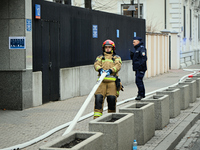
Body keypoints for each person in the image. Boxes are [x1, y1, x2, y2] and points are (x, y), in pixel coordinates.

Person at [93, 39, 122, 119]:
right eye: (106, 47)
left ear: (112, 48)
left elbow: (118, 66)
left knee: (111, 100)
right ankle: (96, 119)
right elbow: (96, 64)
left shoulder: (116, 57)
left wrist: (111, 70)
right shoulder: (100, 57)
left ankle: (111, 118)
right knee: (98, 99)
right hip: (101, 83)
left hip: (112, 83)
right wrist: (100, 69)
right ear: (104, 48)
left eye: (109, 47)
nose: (108, 49)